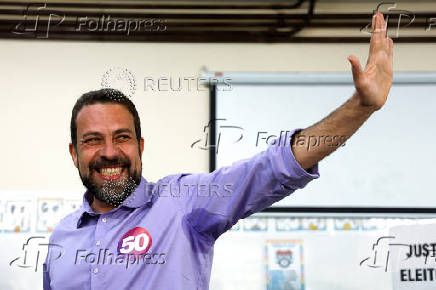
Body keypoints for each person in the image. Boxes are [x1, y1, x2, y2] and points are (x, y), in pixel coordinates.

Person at [43, 12, 393, 290]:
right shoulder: (62, 236)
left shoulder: (182, 202)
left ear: (140, 146)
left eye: (122, 137)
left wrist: (360, 107)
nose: (109, 152)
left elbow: (271, 169)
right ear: (74, 153)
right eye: (92, 140)